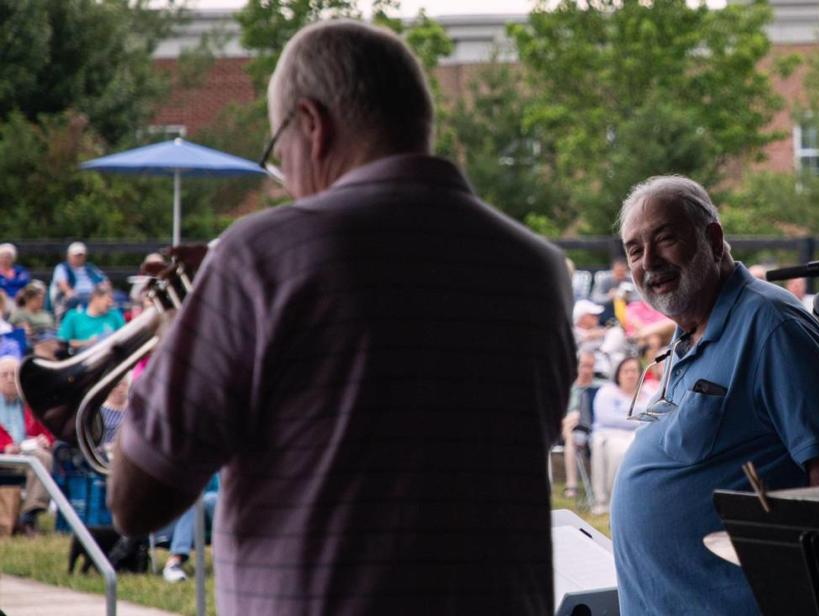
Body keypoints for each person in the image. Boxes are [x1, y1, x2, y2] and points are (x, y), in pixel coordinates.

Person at [109, 20, 576, 616]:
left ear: (312, 124)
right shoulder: (542, 271)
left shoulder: (258, 255)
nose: (285, 177)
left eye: (279, 153)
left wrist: (182, 329)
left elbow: (135, 501)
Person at [611, 175, 819, 616]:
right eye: (634, 250)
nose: (648, 261)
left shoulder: (771, 324)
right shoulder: (688, 334)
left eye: (665, 239)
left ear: (712, 237)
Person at [0, 356, 55, 536]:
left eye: (14, 375)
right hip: (4, 455)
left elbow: (46, 431)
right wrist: (5, 446)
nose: (9, 379)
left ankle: (30, 514)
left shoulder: (29, 404)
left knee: (43, 456)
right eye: (4, 375)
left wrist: (44, 440)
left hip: (25, 455)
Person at [589, 356, 644, 515]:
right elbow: (607, 418)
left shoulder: (649, 392)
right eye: (626, 371)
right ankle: (610, 499)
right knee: (620, 451)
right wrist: (640, 420)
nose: (630, 375)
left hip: (639, 434)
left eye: (634, 371)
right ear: (618, 374)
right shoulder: (606, 392)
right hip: (610, 434)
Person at [160, 476, 219, 584]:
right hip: (169, 521)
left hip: (206, 516)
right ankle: (174, 563)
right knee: (193, 500)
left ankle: (223, 559)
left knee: (210, 498)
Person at [560, 351, 602, 499]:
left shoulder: (600, 386)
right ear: (577, 366)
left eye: (590, 367)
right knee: (571, 425)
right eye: (584, 366)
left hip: (593, 424)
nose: (587, 370)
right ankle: (571, 484)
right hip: (568, 425)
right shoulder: (568, 387)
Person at [57, 284, 125, 351]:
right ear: (96, 298)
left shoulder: (115, 315)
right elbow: (63, 343)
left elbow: (125, 337)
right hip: (85, 357)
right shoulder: (74, 316)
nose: (111, 304)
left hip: (112, 356)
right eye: (108, 300)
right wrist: (89, 342)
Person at [50, 241, 106, 317]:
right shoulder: (62, 267)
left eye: (81, 255)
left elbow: (103, 280)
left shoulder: (90, 268)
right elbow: (61, 283)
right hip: (75, 295)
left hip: (93, 295)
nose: (79, 258)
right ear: (69, 256)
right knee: (74, 299)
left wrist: (106, 292)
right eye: (76, 256)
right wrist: (68, 291)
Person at [9, 282, 55, 346]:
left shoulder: (46, 314)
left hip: (51, 339)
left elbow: (53, 329)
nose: (41, 301)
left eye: (42, 298)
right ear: (28, 298)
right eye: (37, 298)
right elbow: (19, 331)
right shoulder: (19, 314)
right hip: (34, 343)